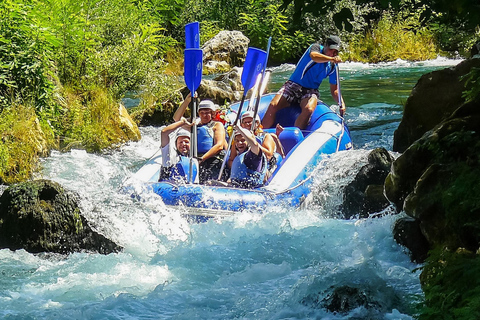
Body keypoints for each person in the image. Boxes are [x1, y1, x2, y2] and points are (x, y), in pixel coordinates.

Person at [261, 35, 346, 130]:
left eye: (336, 52)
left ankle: (294, 137)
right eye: (331, 50)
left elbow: (334, 90)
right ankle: (260, 133)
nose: (333, 53)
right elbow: (314, 56)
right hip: (293, 85)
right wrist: (332, 59)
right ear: (326, 45)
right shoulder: (315, 48)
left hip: (311, 90)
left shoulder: (333, 67)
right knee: (274, 105)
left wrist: (341, 103)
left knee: (309, 109)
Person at [174, 94, 228, 183]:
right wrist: (187, 101)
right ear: (199, 114)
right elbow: (176, 119)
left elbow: (219, 146)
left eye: (207, 112)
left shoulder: (217, 125)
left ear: (213, 113)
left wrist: (202, 159)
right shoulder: (193, 125)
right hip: (196, 160)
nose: (204, 115)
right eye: (202, 113)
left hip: (213, 160)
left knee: (209, 182)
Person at [159, 118, 198, 182]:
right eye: (180, 142)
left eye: (186, 142)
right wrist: (182, 122)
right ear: (176, 144)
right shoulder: (169, 156)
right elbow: (164, 133)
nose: (183, 144)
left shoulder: (194, 161)